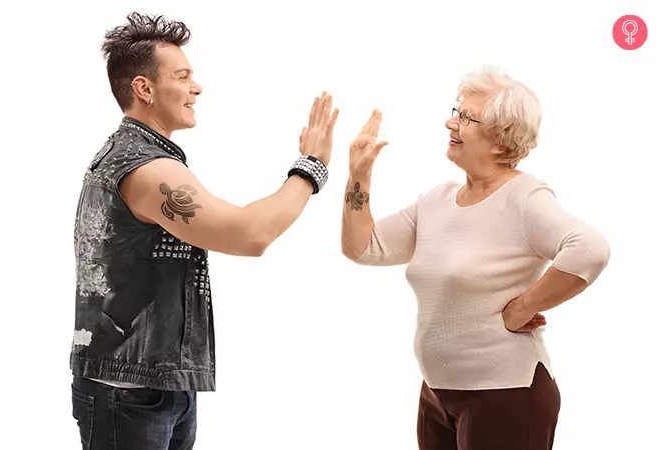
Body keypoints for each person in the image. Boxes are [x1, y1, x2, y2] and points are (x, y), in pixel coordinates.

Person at [70, 12, 339, 450]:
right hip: (130, 392)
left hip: (150, 383)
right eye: (183, 75)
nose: (197, 87)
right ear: (144, 89)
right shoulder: (144, 167)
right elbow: (250, 233)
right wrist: (311, 168)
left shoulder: (141, 157)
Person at [340, 65, 610, 450]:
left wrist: (524, 306)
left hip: (506, 394)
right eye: (455, 111)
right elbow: (362, 247)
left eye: (465, 117)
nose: (451, 123)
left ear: (500, 141)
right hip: (437, 393)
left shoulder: (524, 199)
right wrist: (358, 176)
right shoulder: (436, 201)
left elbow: (591, 248)